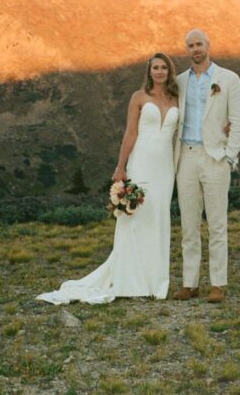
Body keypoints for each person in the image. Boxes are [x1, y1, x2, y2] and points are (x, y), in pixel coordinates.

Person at [36, 53, 179, 304]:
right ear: (149, 72)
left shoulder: (177, 98)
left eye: (163, 67)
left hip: (165, 168)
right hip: (142, 163)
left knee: (158, 220)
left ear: (169, 71)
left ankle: (155, 282)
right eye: (155, 67)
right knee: (135, 220)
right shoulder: (139, 97)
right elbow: (130, 133)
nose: (159, 71)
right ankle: (130, 282)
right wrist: (121, 166)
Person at [172, 29, 240, 303]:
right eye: (190, 45)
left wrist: (229, 156)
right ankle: (189, 284)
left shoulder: (229, 79)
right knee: (189, 225)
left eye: (199, 44)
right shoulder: (179, 81)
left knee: (217, 224)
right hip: (186, 157)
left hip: (215, 158)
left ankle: (218, 284)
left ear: (208, 46)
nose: (195, 49)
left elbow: (237, 120)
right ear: (187, 50)